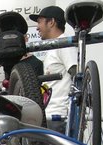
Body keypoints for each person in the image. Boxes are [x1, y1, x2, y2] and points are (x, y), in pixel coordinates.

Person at [29, 5, 78, 133]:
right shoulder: (55, 47)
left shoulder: (64, 44)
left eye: (39, 21)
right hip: (51, 117)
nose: (37, 27)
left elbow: (77, 74)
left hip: (60, 117)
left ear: (51, 22)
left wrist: (76, 112)